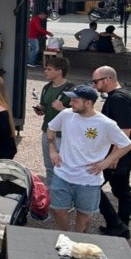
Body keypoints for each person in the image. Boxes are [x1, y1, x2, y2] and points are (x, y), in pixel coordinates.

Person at [47, 84, 131, 233]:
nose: (70, 103)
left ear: (88, 103)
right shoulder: (66, 114)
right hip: (63, 173)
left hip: (88, 180)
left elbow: (126, 144)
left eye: (75, 101)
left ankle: (78, 239)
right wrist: (52, 150)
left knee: (84, 215)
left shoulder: (106, 123)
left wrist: (106, 162)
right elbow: (51, 128)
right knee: (58, 210)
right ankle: (65, 235)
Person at [93, 66, 131, 238]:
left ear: (107, 79)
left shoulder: (118, 99)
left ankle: (116, 223)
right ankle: (121, 225)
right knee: (121, 188)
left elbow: (125, 129)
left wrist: (113, 156)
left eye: (96, 81)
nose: (95, 85)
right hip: (121, 153)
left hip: (118, 153)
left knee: (91, 184)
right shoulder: (120, 95)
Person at [32, 57, 74, 182]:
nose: (45, 71)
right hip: (47, 131)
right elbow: (45, 106)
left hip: (63, 135)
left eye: (49, 69)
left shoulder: (71, 90)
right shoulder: (46, 88)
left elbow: (79, 114)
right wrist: (41, 110)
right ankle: (51, 192)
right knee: (49, 165)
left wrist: (63, 109)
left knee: (63, 166)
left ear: (59, 71)